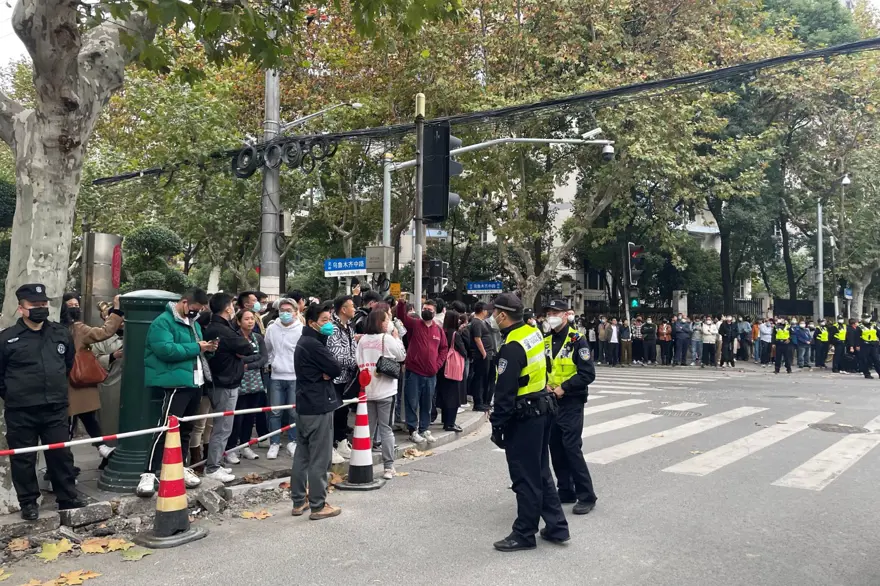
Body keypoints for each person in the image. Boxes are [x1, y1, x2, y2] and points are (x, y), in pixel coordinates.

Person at [489, 293, 568, 552]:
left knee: (525, 477)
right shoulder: (532, 333)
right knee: (541, 472)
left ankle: (524, 533)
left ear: (502, 315)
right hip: (541, 409)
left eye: (494, 312)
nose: (492, 316)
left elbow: (504, 391)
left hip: (524, 416)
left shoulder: (512, 346)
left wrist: (498, 426)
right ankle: (556, 527)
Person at [0, 284, 86, 519]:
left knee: (60, 455)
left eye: (43, 304)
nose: (40, 308)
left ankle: (67, 497)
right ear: (21, 309)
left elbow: (68, 364)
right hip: (21, 410)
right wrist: (13, 395)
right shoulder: (7, 338)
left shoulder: (60, 333)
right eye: (34, 305)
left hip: (55, 408)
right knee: (23, 458)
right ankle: (29, 503)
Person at [138, 288, 216, 497]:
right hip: (175, 384)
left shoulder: (194, 324)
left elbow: (195, 348)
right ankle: (148, 473)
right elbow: (166, 350)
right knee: (165, 428)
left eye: (199, 310)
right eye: (194, 309)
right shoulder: (163, 322)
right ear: (183, 303)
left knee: (186, 430)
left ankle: (180, 467)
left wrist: (207, 347)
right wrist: (196, 347)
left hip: (195, 382)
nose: (196, 313)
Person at [543, 300, 597, 516]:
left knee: (571, 447)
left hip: (571, 401)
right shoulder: (546, 340)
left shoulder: (577, 340)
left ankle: (587, 495)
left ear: (566, 315)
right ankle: (565, 490)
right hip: (551, 400)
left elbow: (587, 374)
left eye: (556, 312)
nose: (551, 316)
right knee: (555, 446)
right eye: (549, 312)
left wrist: (563, 388)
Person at [291, 302, 343, 520]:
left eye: (329, 319)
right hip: (318, 405)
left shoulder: (305, 341)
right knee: (319, 458)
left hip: (304, 405)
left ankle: (298, 500)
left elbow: (329, 370)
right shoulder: (313, 344)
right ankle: (318, 504)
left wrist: (326, 372)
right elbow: (335, 368)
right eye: (324, 320)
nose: (329, 324)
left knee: (302, 456)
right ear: (312, 323)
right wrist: (326, 373)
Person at [60, 293, 124, 465]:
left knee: (76, 422)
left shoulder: (57, 328)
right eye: (70, 305)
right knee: (71, 425)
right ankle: (100, 447)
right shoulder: (77, 329)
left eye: (76, 304)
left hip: (67, 383)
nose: (75, 307)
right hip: (74, 381)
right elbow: (105, 332)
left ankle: (63, 468)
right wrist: (116, 310)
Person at [203, 292, 254, 482]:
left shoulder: (217, 327)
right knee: (223, 427)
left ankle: (216, 462)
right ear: (227, 308)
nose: (234, 308)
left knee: (221, 426)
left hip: (223, 380)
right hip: (224, 382)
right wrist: (240, 351)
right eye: (232, 305)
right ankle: (213, 466)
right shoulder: (222, 330)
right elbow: (247, 347)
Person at [355, 304, 405, 480]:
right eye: (387, 320)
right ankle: (388, 467)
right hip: (386, 390)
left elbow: (358, 361)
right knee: (386, 429)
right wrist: (397, 338)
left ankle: (364, 464)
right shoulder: (387, 339)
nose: (388, 322)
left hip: (367, 390)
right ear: (381, 323)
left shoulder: (362, 341)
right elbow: (401, 356)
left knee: (366, 429)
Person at [396, 297, 448, 444]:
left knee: (427, 403)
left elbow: (444, 348)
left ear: (434, 312)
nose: (426, 311)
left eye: (429, 310)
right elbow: (401, 317)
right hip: (414, 372)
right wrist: (401, 304)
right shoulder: (415, 324)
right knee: (412, 402)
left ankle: (424, 429)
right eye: (424, 309)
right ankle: (413, 430)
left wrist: (437, 365)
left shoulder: (438, 330)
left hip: (431, 374)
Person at [225, 309, 268, 463]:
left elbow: (263, 358)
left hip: (256, 383)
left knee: (250, 416)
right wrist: (250, 360)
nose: (250, 322)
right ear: (238, 321)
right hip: (239, 383)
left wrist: (249, 363)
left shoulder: (258, 337)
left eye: (252, 319)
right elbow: (237, 359)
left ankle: (245, 445)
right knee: (237, 417)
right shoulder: (234, 338)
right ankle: (231, 448)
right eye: (246, 319)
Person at [264, 298, 302, 460]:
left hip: (295, 376)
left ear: (295, 312)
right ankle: (274, 442)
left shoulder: (301, 329)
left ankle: (293, 442)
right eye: (282, 310)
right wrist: (272, 363)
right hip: (277, 376)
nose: (285, 313)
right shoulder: (272, 328)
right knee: (275, 412)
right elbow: (268, 349)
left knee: (293, 412)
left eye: (288, 311)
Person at [327, 295, 359, 461]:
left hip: (347, 377)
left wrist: (356, 362)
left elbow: (353, 349)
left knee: (343, 412)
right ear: (343, 309)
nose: (355, 309)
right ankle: (330, 446)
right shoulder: (332, 328)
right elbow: (336, 355)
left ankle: (341, 442)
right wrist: (356, 362)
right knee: (333, 412)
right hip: (334, 378)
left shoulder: (349, 327)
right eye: (352, 306)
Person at [436, 310, 467, 432]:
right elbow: (463, 351)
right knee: (453, 396)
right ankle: (450, 423)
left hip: (442, 366)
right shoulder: (455, 334)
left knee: (444, 394)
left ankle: (445, 419)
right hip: (452, 368)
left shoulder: (442, 332)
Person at [468, 302, 495, 413]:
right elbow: (477, 338)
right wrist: (483, 352)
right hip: (481, 356)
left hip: (487, 354)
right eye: (486, 310)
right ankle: (478, 403)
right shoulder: (476, 322)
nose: (487, 312)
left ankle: (482, 402)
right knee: (479, 379)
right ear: (482, 310)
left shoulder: (480, 322)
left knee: (484, 379)